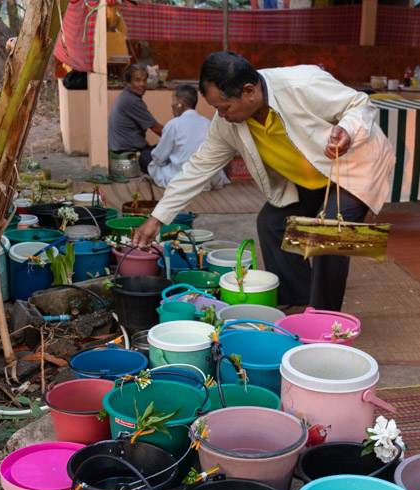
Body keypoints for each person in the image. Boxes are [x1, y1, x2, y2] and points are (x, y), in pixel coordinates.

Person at [132, 52, 395, 310]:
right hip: (307, 177)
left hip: (352, 165)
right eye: (216, 109)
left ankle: (324, 317)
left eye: (224, 108)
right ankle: (299, 298)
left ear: (249, 91)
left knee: (329, 234)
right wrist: (157, 218)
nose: (221, 116)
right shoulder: (226, 123)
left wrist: (347, 129)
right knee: (272, 223)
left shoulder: (303, 84)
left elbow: (360, 103)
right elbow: (196, 169)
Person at [148, 84, 229, 189]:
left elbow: (158, 157)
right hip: (208, 178)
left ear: (179, 105)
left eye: (173, 101)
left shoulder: (173, 124)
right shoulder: (208, 123)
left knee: (153, 165)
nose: (171, 106)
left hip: (183, 176)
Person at [108, 64, 163, 174]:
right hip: (128, 154)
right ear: (128, 83)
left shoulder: (126, 96)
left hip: (122, 151)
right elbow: (157, 129)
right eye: (137, 80)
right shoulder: (132, 101)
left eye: (144, 80)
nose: (142, 84)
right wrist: (178, 139)